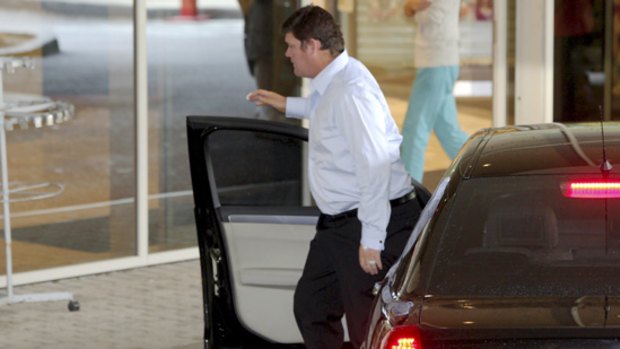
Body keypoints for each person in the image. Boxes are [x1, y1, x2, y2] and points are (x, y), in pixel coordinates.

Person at [247, 5, 422, 349]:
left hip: (369, 222)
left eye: (292, 46)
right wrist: (289, 105)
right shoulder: (337, 80)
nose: (286, 53)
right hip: (337, 226)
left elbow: (374, 165)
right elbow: (325, 110)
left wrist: (372, 239)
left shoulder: (350, 91)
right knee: (312, 306)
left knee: (366, 327)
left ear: (312, 45)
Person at [401, 0, 469, 182]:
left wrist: (412, 6)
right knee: (450, 132)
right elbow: (411, 7)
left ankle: (409, 193)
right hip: (439, 62)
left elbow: (415, 5)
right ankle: (489, 172)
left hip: (436, 63)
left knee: (414, 130)